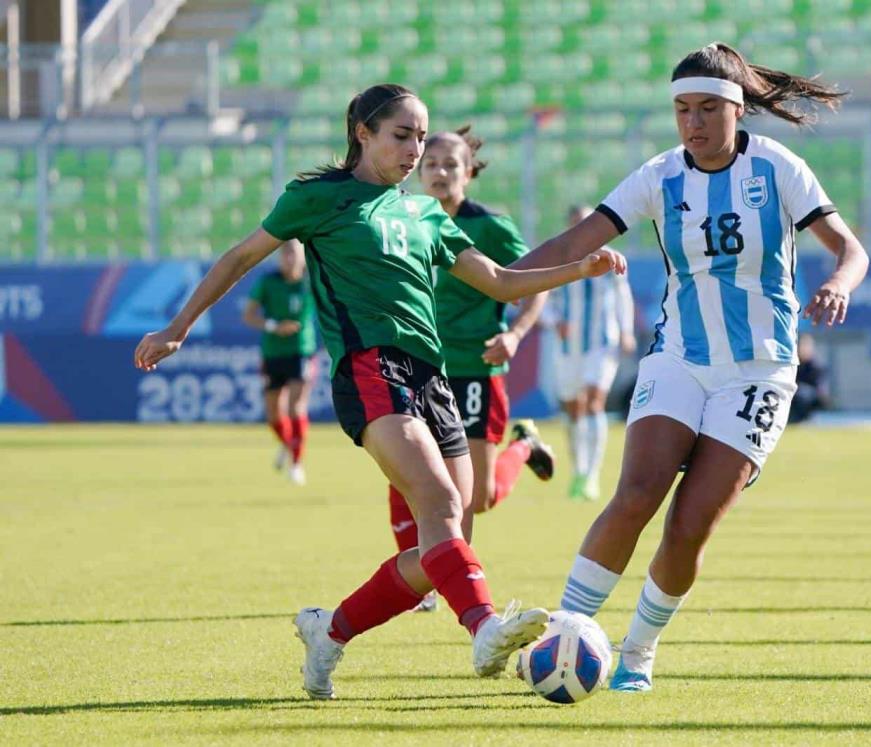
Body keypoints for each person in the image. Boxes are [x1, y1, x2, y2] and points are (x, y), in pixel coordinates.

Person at [133, 83, 627, 699]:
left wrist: (579, 269)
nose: (416, 148)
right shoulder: (317, 199)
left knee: (441, 540)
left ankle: (328, 631)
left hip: (434, 378)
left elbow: (501, 282)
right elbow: (240, 257)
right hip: (368, 370)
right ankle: (484, 626)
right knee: (443, 507)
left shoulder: (424, 214)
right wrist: (177, 327)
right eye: (402, 134)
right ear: (362, 133)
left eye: (422, 136)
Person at [510, 43, 869, 691]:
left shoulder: (778, 167)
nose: (693, 122)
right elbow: (573, 242)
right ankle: (565, 635)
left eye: (707, 108)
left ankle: (638, 652)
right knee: (636, 495)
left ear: (737, 110)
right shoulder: (658, 176)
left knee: (688, 523)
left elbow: (849, 247)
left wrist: (840, 280)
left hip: (761, 372)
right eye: (682, 110)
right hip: (679, 356)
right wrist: (496, 280)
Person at [387, 125, 556, 613]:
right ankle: (433, 575)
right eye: (431, 165)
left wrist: (515, 334)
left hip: (474, 369)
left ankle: (523, 445)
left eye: (450, 165)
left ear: (469, 173)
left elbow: (530, 282)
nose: (440, 173)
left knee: (476, 498)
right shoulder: (403, 220)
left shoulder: (489, 228)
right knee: (406, 470)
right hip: (416, 367)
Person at [545, 205, 636, 502]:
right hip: (568, 346)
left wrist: (626, 331)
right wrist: (553, 321)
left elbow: (623, 297)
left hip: (601, 342)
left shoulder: (611, 259)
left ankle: (592, 475)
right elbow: (543, 296)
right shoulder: (561, 258)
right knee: (573, 407)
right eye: (576, 224)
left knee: (594, 401)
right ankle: (579, 470)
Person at [242, 239, 317, 485]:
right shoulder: (268, 282)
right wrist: (274, 326)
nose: (290, 258)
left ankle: (297, 464)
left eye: (294, 253)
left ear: (303, 257)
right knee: (274, 414)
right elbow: (249, 315)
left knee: (296, 407)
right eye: (285, 254)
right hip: (273, 352)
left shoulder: (311, 281)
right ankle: (288, 445)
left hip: (301, 350)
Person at [788, 333, 829, 424]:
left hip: (810, 398)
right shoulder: (793, 363)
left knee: (803, 393)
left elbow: (821, 389)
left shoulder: (816, 365)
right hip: (793, 396)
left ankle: (804, 418)